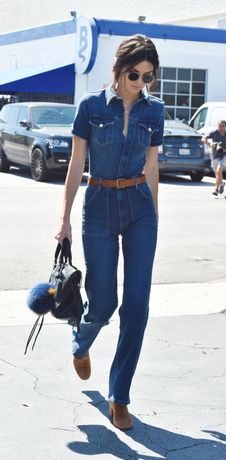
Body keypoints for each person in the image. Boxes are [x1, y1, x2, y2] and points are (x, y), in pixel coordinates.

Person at [55, 34, 164, 430]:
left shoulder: (155, 112)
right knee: (102, 303)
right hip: (98, 206)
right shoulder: (90, 106)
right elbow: (75, 164)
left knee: (137, 307)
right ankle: (81, 341)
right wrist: (64, 218)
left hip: (139, 209)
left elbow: (151, 167)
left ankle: (120, 396)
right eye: (134, 75)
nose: (140, 84)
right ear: (119, 70)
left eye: (148, 77)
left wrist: (154, 215)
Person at [202, 120, 226, 196]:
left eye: (223, 126)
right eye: (220, 126)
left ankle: (216, 189)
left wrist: (224, 149)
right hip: (214, 155)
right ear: (217, 126)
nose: (221, 127)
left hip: (224, 155)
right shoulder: (214, 133)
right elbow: (203, 139)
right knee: (217, 173)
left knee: (218, 170)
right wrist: (210, 143)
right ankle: (222, 183)